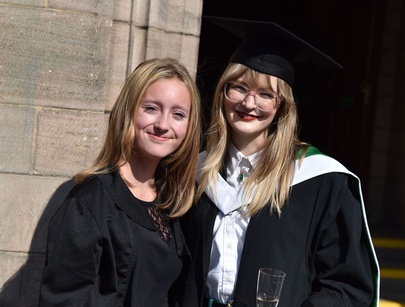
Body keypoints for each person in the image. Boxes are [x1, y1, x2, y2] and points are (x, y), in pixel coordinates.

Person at [180, 17, 379, 307]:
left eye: (265, 95)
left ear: (281, 106)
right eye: (238, 88)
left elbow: (346, 286)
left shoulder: (318, 180)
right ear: (223, 92)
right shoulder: (195, 172)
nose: (249, 104)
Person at [39, 58, 201, 306]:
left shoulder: (170, 201)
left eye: (178, 114)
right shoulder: (89, 203)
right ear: (129, 110)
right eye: (151, 108)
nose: (163, 125)